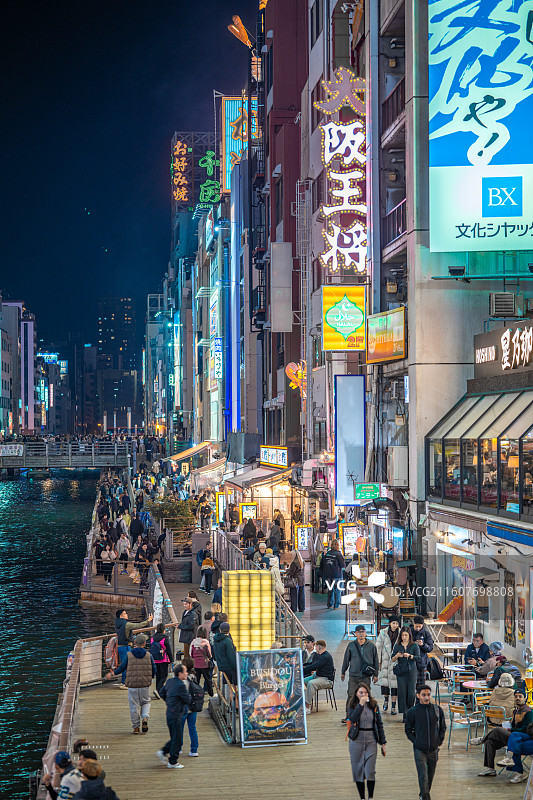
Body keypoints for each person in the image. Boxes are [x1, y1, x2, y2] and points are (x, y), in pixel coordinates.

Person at [471, 688, 532, 775]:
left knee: (497, 730)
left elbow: (526, 730)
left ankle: (482, 739)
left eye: (520, 696)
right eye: (515, 697)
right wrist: (508, 727)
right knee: (489, 742)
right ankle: (490, 769)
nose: (517, 698)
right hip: (512, 736)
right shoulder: (515, 710)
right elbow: (513, 726)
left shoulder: (528, 712)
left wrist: (510, 730)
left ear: (525, 698)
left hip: (520, 738)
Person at [105, 633, 156, 733]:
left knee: (134, 705)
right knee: (146, 702)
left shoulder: (129, 655)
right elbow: (154, 669)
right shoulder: (149, 655)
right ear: (144, 643)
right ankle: (145, 718)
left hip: (132, 685)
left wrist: (112, 673)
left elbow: (122, 668)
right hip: (145, 684)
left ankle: (136, 727)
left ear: (135, 643)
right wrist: (151, 677)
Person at [405, 685, 446, 800]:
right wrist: (416, 741)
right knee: (423, 776)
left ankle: (422, 795)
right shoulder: (412, 712)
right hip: (419, 750)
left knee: (430, 777)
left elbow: (443, 727)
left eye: (428, 695)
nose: (426, 697)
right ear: (418, 696)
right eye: (423, 695)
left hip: (433, 749)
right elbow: (408, 730)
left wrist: (439, 741)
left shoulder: (437, 710)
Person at [346, 682, 386, 800]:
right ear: (356, 694)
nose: (364, 694)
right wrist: (360, 705)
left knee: (370, 771)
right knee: (358, 770)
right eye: (361, 692)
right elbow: (352, 719)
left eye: (366, 692)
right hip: (356, 740)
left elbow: (379, 724)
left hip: (371, 740)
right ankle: (362, 797)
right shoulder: (352, 706)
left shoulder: (374, 706)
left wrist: (383, 742)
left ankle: (371, 797)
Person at [157, 661, 191, 768]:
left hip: (170, 712)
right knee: (177, 739)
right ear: (180, 674)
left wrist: (169, 701)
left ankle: (164, 751)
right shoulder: (181, 685)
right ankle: (173, 761)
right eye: (185, 672)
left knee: (174, 736)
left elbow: (162, 692)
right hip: (176, 713)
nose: (187, 673)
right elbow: (187, 699)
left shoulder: (170, 681)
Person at [341, 626, 379, 719]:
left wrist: (376, 674)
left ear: (366, 633)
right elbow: (346, 659)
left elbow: (376, 661)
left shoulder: (371, 645)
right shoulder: (351, 645)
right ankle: (349, 715)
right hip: (353, 675)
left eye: (363, 632)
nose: (361, 634)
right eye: (359, 632)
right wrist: (343, 672)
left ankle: (366, 714)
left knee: (365, 695)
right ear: (355, 634)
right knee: (351, 695)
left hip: (366, 675)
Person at [114, 609, 153, 686]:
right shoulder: (126, 624)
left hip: (121, 646)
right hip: (125, 646)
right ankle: (124, 682)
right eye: (125, 614)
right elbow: (138, 625)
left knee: (124, 663)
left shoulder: (117, 623)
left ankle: (125, 681)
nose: (127, 615)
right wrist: (148, 620)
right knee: (126, 664)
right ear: (121, 616)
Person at [392, 626, 420, 720]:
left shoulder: (414, 645)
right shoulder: (397, 645)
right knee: (402, 692)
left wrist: (410, 656)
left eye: (406, 635)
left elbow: (418, 658)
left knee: (411, 693)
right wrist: (397, 655)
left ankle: (410, 711)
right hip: (401, 672)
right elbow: (392, 659)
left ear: (409, 636)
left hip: (411, 671)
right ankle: (404, 713)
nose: (404, 637)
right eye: (403, 635)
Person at [376, 616, 400, 714]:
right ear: (390, 623)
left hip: (396, 661)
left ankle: (393, 706)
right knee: (385, 683)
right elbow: (378, 647)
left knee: (395, 685)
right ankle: (386, 701)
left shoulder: (401, 633)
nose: (395, 625)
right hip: (385, 660)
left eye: (397, 623)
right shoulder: (383, 633)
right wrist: (378, 661)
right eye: (393, 623)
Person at [303, 639, 335, 711]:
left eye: (315, 647)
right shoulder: (319, 655)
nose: (315, 648)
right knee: (302, 681)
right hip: (317, 675)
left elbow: (314, 666)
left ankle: (307, 706)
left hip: (326, 679)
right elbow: (312, 665)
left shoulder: (325, 657)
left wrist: (302, 671)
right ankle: (303, 701)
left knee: (311, 683)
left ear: (319, 647)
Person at [149, 622, 173, 699]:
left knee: (158, 675)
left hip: (155, 659)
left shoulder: (153, 638)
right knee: (164, 675)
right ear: (164, 630)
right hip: (163, 659)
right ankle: (158, 689)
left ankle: (158, 692)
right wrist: (171, 660)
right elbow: (168, 649)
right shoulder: (165, 638)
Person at [410, 616, 434, 690]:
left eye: (420, 627)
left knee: (421, 687)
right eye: (416, 626)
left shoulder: (426, 634)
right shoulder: (408, 633)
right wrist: (413, 644)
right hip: (409, 662)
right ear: (413, 623)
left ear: (423, 625)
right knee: (410, 685)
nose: (418, 628)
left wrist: (423, 645)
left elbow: (430, 648)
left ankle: (419, 698)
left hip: (421, 663)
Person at [320, 539, 345, 609]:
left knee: (330, 589)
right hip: (336, 574)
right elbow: (342, 565)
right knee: (337, 590)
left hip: (328, 574)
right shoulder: (338, 554)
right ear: (338, 545)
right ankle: (336, 605)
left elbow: (322, 563)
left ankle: (329, 604)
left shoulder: (327, 553)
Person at [191, 625, 214, 697]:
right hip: (205, 664)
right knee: (208, 680)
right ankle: (210, 693)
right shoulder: (206, 642)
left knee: (196, 680)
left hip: (196, 664)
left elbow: (191, 653)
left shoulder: (193, 642)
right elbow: (209, 654)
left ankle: (195, 694)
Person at [287, 548, 305, 613]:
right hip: (302, 580)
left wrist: (287, 570)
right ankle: (301, 608)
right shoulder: (302, 562)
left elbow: (291, 572)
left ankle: (294, 608)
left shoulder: (294, 563)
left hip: (295, 580)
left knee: (294, 595)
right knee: (301, 594)